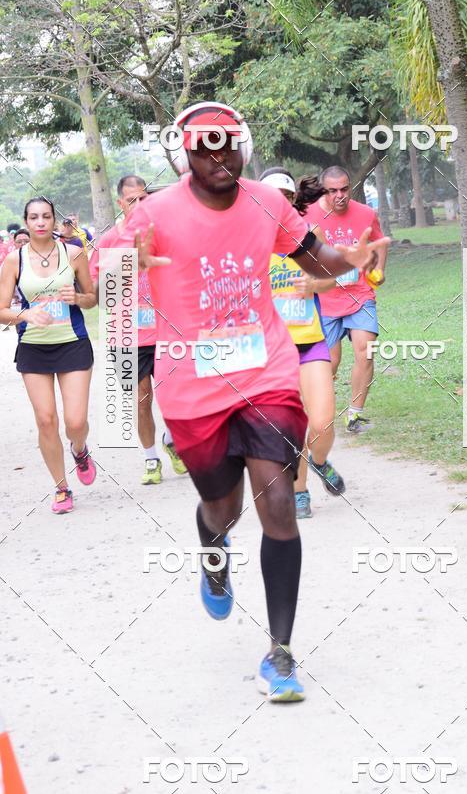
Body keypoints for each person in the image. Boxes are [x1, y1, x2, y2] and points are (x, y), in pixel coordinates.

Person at [123, 102, 389, 702]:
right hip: (192, 388)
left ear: (242, 147)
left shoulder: (267, 203)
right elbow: (103, 274)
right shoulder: (154, 211)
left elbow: (311, 255)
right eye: (203, 147)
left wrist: (352, 259)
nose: (218, 156)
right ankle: (212, 550)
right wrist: (127, 266)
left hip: (267, 374)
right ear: (184, 153)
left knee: (277, 506)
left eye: (227, 145)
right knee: (223, 507)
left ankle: (281, 652)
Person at [0, 197, 97, 514]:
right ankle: (61, 488)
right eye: (33, 217)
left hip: (72, 343)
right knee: (45, 420)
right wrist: (24, 316)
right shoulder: (14, 261)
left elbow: (92, 299)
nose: (40, 222)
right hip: (34, 348)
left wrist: (78, 296)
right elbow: (1, 310)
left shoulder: (74, 253)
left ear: (54, 221)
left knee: (75, 421)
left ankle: (79, 450)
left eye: (46, 216)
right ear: (26, 222)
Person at [89, 175, 187, 485]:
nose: (140, 205)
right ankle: (151, 460)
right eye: (133, 200)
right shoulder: (107, 243)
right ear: (121, 204)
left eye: (145, 199)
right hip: (128, 336)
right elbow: (95, 296)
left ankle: (171, 440)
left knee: (176, 396)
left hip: (167, 332)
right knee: (142, 398)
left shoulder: (167, 235)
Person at [261, 168, 345, 519]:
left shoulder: (310, 234)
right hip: (272, 351)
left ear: (291, 200)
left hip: (311, 342)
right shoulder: (247, 242)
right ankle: (298, 490)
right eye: (270, 198)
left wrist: (315, 286)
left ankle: (320, 460)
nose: (278, 203)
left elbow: (331, 279)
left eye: (284, 196)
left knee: (323, 422)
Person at [308, 166, 388, 434]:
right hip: (325, 300)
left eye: (344, 189)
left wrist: (379, 270)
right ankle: (318, 412)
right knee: (328, 364)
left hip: (360, 295)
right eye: (332, 191)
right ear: (323, 190)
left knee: (366, 353)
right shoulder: (308, 214)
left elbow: (380, 242)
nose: (340, 195)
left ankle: (354, 416)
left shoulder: (366, 213)